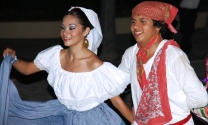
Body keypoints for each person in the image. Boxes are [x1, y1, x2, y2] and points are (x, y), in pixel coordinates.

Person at [1, 7, 134, 125]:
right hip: (63, 113)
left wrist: (136, 123)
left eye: (72, 28)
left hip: (91, 119)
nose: (65, 32)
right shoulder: (55, 56)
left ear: (86, 31)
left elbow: (117, 102)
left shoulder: (95, 64)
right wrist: (13, 59)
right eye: (63, 27)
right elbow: (28, 69)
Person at [118, 1, 208, 125]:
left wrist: (177, 108)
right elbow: (114, 87)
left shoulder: (173, 56)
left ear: (158, 26)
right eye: (133, 21)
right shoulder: (130, 54)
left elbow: (200, 99)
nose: (136, 26)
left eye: (143, 21)